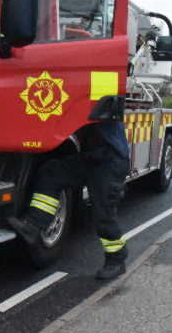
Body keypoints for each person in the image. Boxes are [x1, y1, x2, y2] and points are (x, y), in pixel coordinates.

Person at [8, 120, 131, 279]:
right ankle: (34, 224)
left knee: (103, 214)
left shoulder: (102, 99)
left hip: (109, 162)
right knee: (52, 173)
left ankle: (117, 260)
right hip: (92, 158)